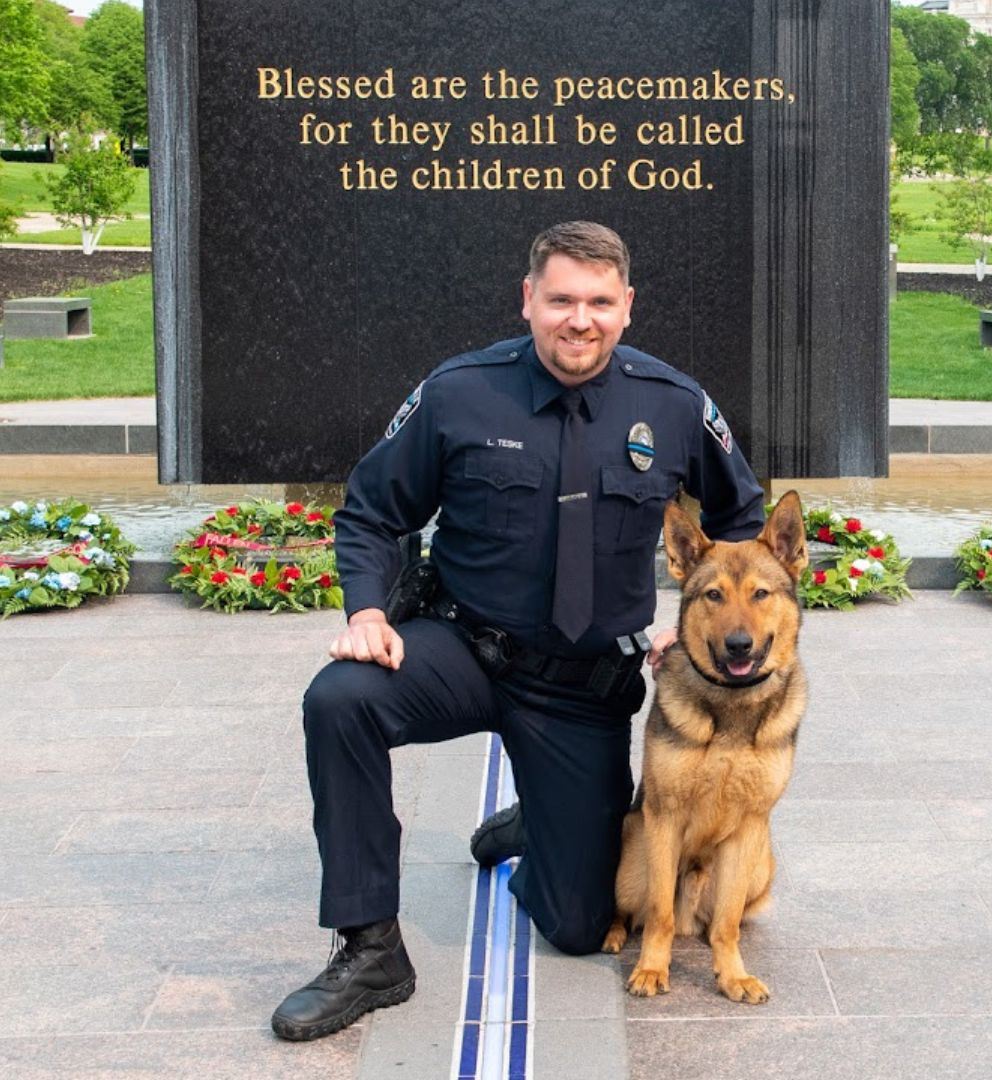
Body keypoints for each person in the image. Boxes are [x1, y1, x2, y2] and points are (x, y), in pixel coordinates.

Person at [271, 221, 765, 1041]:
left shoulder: (673, 405)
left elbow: (741, 520)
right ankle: (369, 948)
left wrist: (703, 627)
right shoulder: (460, 392)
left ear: (628, 306)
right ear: (528, 299)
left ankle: (539, 820)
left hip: (580, 686)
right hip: (461, 649)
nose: (581, 320)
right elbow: (370, 512)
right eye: (562, 300)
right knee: (340, 700)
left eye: (599, 302)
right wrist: (367, 614)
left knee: (579, 926)